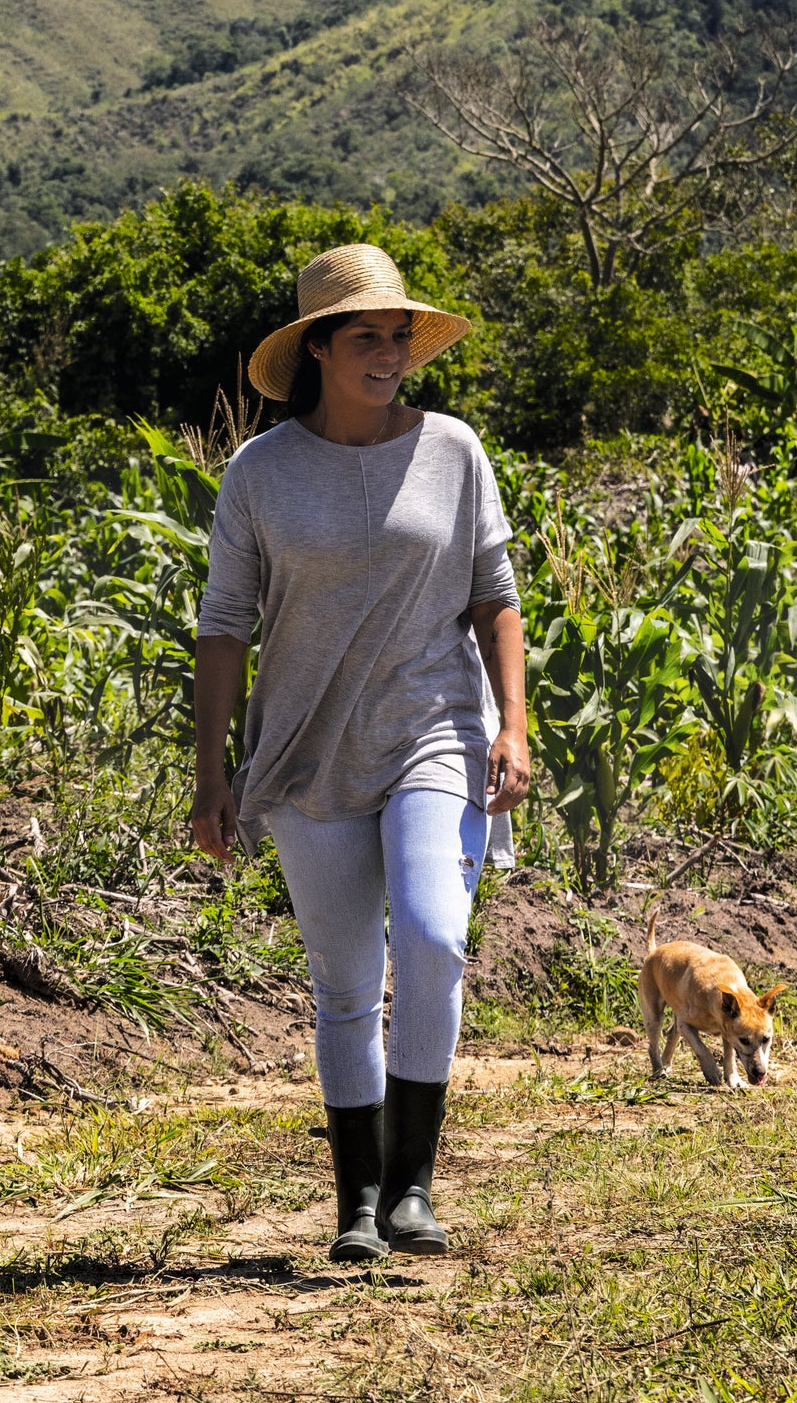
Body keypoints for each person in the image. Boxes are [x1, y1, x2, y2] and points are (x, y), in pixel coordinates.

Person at [191, 242, 530, 1263]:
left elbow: (494, 592)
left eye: (400, 337)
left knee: (432, 934)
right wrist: (211, 775)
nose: (390, 354)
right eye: (367, 338)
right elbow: (224, 625)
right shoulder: (261, 473)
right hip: (303, 750)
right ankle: (358, 1204)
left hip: (434, 727)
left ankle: (413, 1188)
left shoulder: (453, 450)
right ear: (319, 350)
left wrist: (512, 723)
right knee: (344, 982)